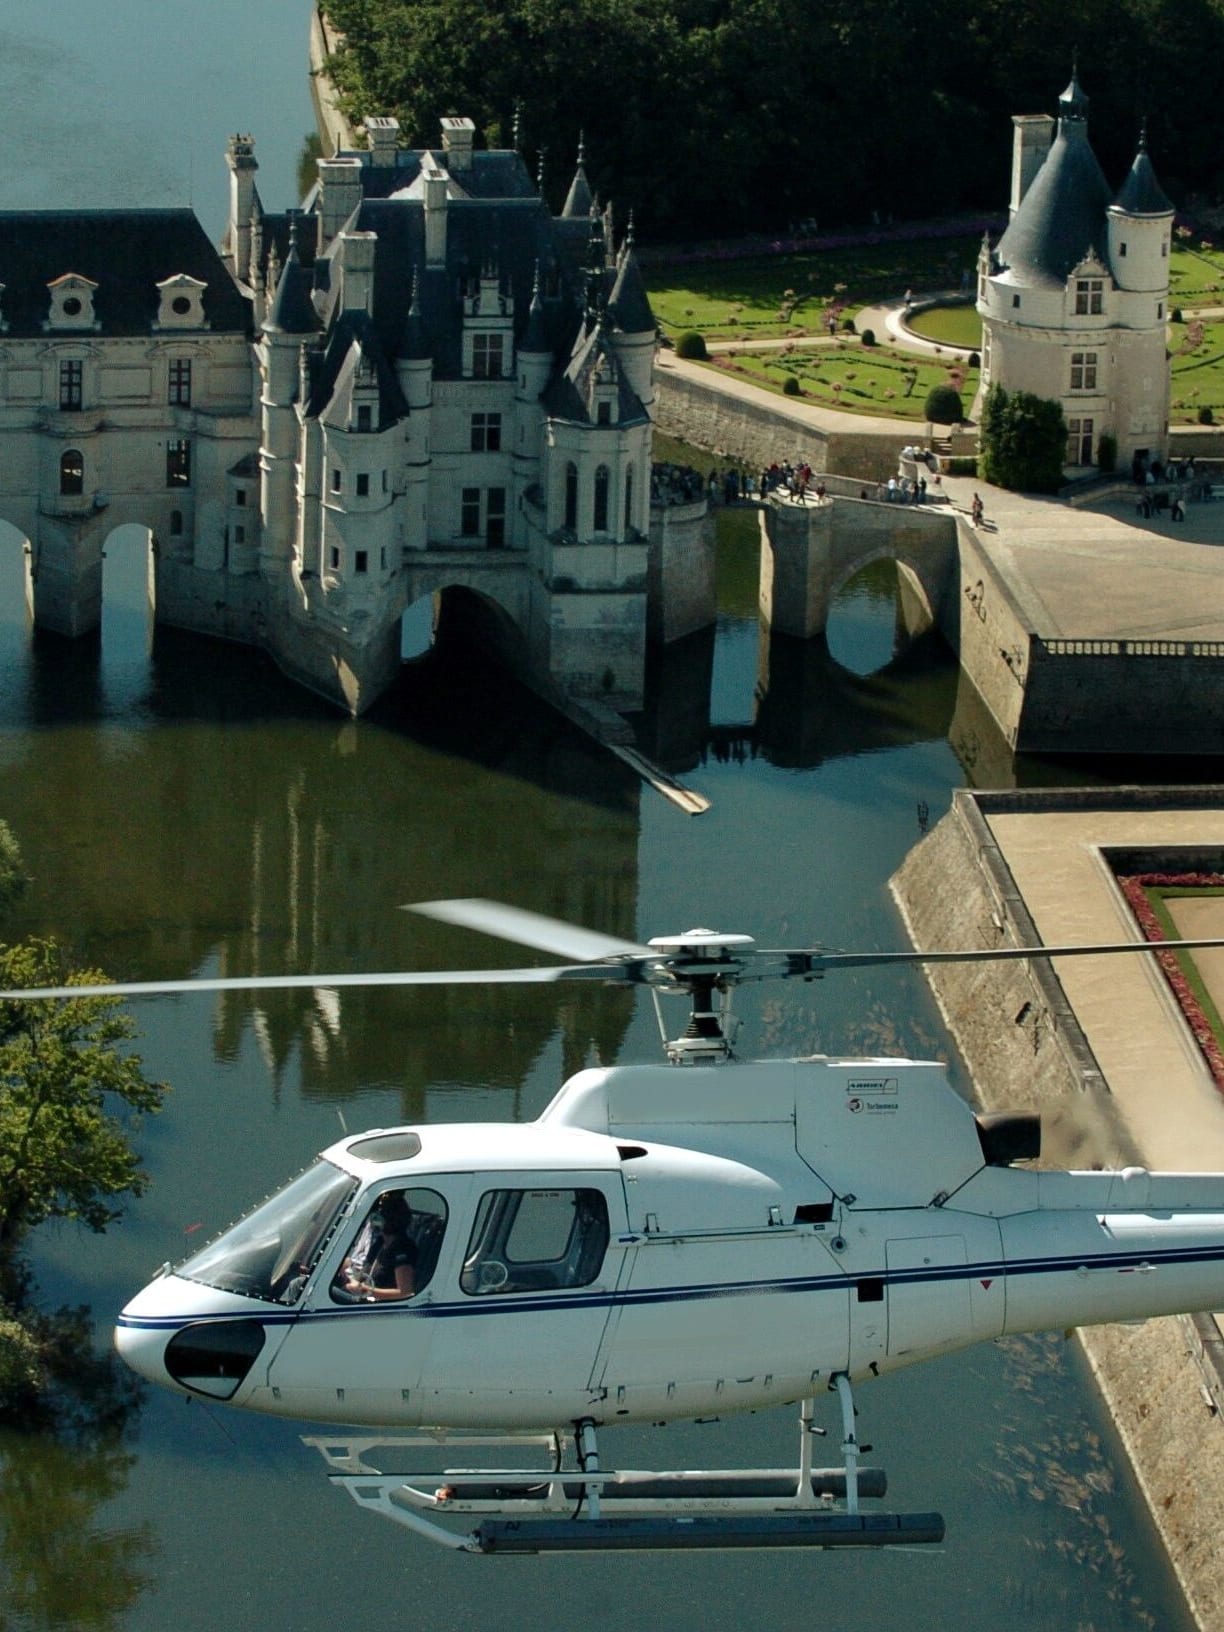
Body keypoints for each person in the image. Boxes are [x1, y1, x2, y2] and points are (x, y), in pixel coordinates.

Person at [338, 1191, 418, 1301]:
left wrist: (365, 1290)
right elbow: (365, 1271)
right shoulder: (380, 1243)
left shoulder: (403, 1249)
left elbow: (405, 1292)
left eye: (380, 1215)